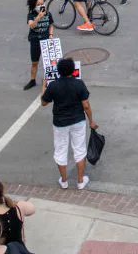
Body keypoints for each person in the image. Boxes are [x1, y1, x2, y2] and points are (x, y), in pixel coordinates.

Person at [40, 58, 96, 190]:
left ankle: (64, 181)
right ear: (73, 70)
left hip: (60, 123)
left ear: (59, 71)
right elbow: (86, 106)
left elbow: (43, 102)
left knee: (60, 150)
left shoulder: (53, 86)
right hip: (78, 120)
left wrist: (43, 85)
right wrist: (91, 121)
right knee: (79, 149)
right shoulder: (79, 84)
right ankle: (80, 181)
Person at [23, 0, 53, 90]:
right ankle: (32, 80)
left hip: (45, 40)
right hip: (35, 40)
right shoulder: (31, 15)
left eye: (42, 4)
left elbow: (51, 25)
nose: (41, 6)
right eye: (38, 4)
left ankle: (49, 80)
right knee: (34, 62)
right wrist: (38, 17)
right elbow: (32, 26)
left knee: (48, 63)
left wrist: (51, 35)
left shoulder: (48, 14)